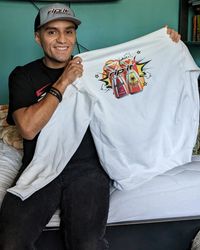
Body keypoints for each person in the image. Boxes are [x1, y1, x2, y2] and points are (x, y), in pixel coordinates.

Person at [0, 3, 181, 250]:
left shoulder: (96, 69)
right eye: (52, 32)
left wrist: (163, 46)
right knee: (10, 242)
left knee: (87, 244)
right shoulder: (23, 76)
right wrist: (64, 81)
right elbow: (28, 129)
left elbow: (140, 82)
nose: (62, 39)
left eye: (69, 31)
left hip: (87, 170)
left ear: (75, 36)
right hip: (40, 166)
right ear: (37, 37)